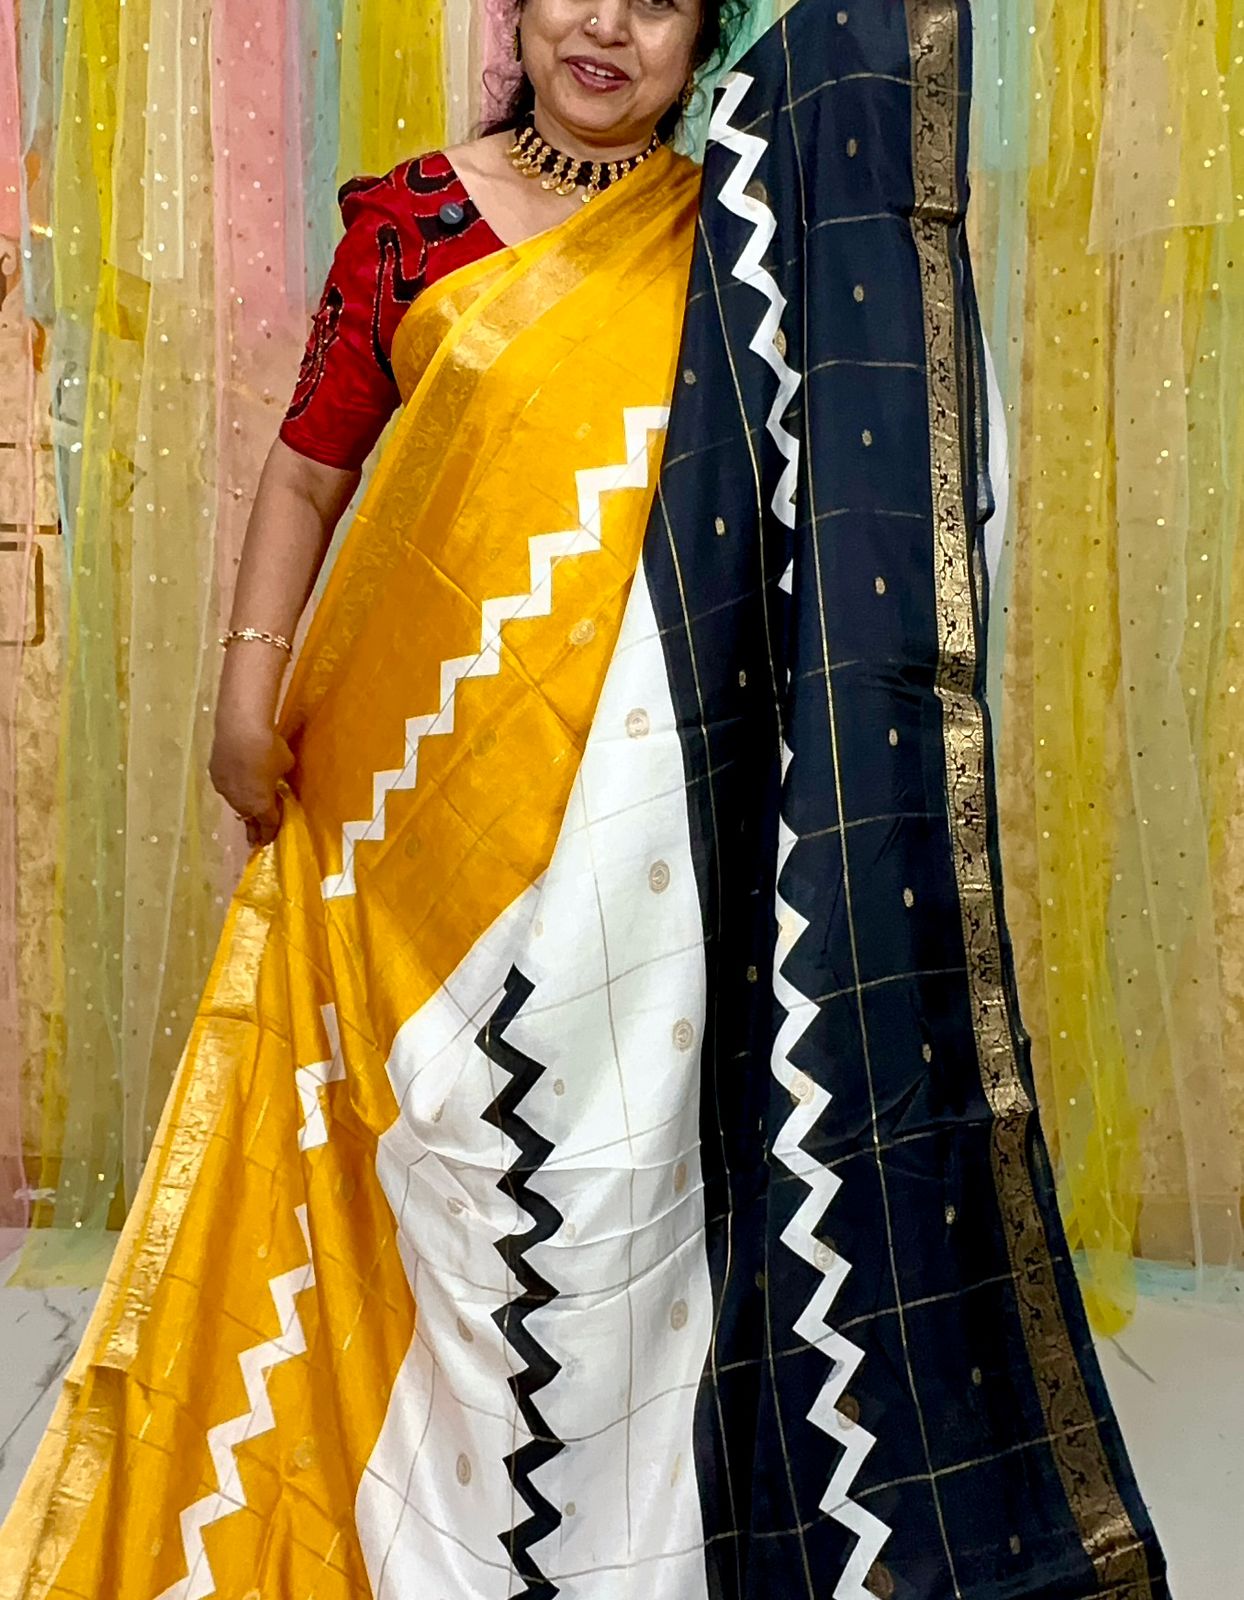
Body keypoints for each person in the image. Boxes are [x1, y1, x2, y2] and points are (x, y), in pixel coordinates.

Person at [1, 2, 1167, 1598]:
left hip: (648, 833)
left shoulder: (738, 254)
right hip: (411, 812)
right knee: (436, 1166)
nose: (607, 25)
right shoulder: (413, 222)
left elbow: (859, 472)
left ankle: (607, 1556)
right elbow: (311, 470)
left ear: (707, 34)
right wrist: (245, 686)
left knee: (621, 1193)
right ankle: (414, 1532)